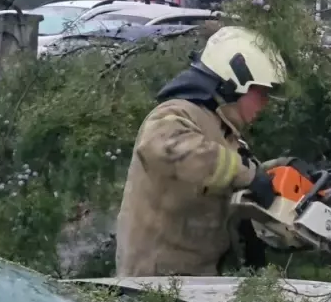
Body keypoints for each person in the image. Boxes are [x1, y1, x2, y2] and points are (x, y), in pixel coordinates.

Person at [115, 26, 288, 278]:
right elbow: (171, 150)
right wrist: (249, 176)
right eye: (261, 92)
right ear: (235, 83)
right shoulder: (176, 114)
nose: (265, 102)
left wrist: (278, 174)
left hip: (198, 283)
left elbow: (230, 173)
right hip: (155, 284)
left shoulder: (222, 129)